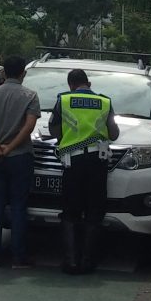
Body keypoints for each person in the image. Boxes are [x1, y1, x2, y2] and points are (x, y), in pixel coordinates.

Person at [47, 68, 120, 274]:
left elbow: (53, 130)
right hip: (98, 161)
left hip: (73, 162)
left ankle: (71, 261)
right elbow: (114, 134)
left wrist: (68, 138)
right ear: (89, 83)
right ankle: (88, 261)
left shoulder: (64, 100)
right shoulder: (104, 102)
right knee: (94, 211)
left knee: (70, 211)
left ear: (70, 84)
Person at [0, 55, 41, 268]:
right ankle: (18, 257)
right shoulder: (30, 96)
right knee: (18, 206)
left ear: (3, 73)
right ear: (23, 73)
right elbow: (29, 127)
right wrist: (10, 148)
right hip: (20, 157)